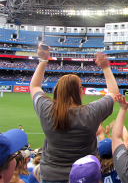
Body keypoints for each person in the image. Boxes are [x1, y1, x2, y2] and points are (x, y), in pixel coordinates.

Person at [30, 44, 119, 183]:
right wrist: (105, 67)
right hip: (85, 177)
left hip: (50, 177)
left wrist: (43, 60)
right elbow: (113, 93)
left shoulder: (47, 110)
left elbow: (34, 86)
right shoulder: (90, 112)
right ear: (79, 91)